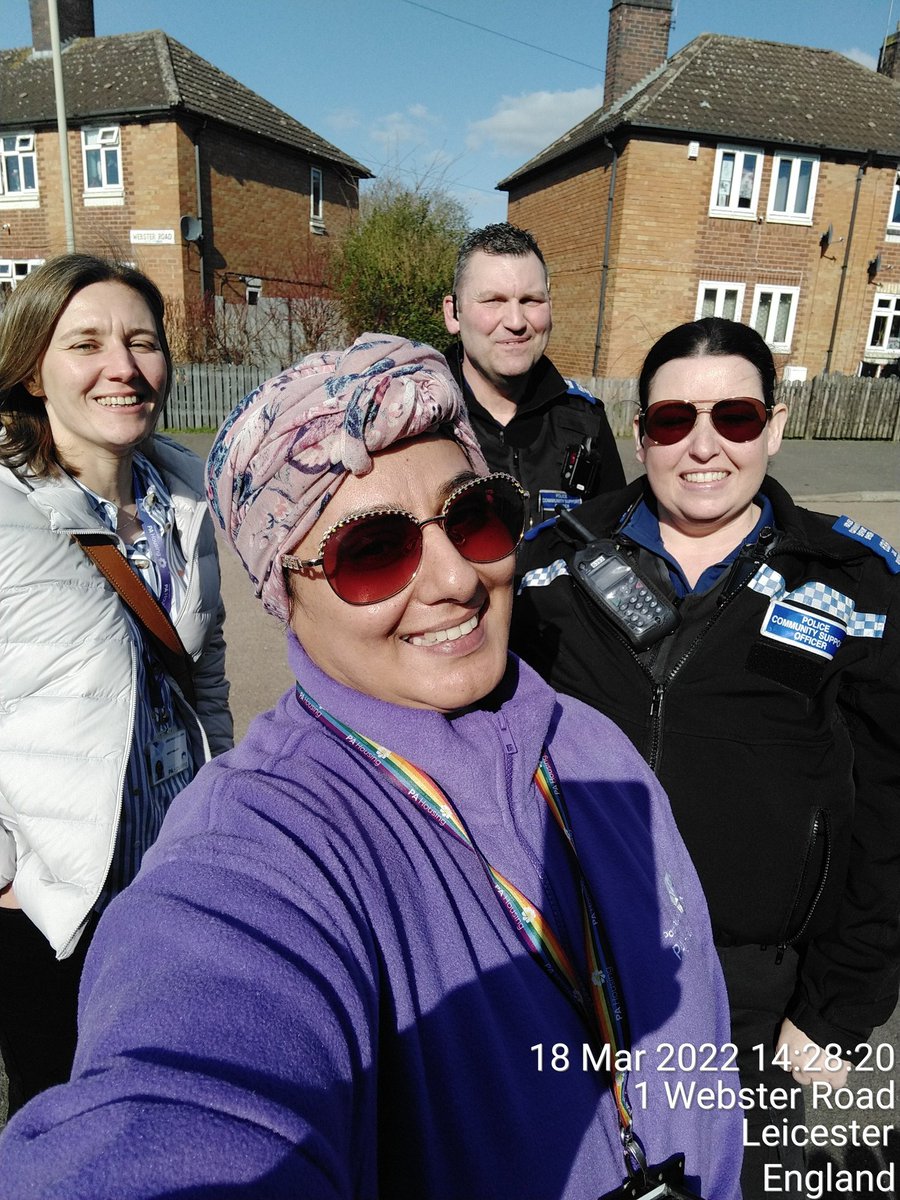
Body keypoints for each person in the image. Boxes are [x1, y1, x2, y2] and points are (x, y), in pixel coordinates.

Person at [0, 334, 741, 1199]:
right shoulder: (259, 842)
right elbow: (181, 1099)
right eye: (372, 551)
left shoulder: (593, 746)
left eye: (475, 516)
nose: (456, 579)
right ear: (287, 590)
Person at [512, 316, 900, 1200]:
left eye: (733, 418)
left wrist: (840, 1010)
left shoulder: (854, 583)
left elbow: (891, 808)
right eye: (671, 421)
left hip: (754, 997)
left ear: (775, 424)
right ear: (638, 428)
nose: (702, 448)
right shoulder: (550, 570)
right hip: (570, 976)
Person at [0, 254, 232, 1114]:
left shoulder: (185, 498)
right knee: (65, 1111)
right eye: (85, 344)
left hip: (174, 870)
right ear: (33, 368)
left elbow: (205, 678)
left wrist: (220, 816)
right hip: (54, 902)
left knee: (176, 1096)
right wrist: (8, 875)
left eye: (141, 342)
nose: (122, 369)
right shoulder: (8, 507)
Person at [443, 222, 625, 526]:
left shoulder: (586, 421)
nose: (516, 321)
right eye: (493, 301)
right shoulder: (420, 422)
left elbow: (616, 536)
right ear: (454, 313)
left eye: (531, 301)